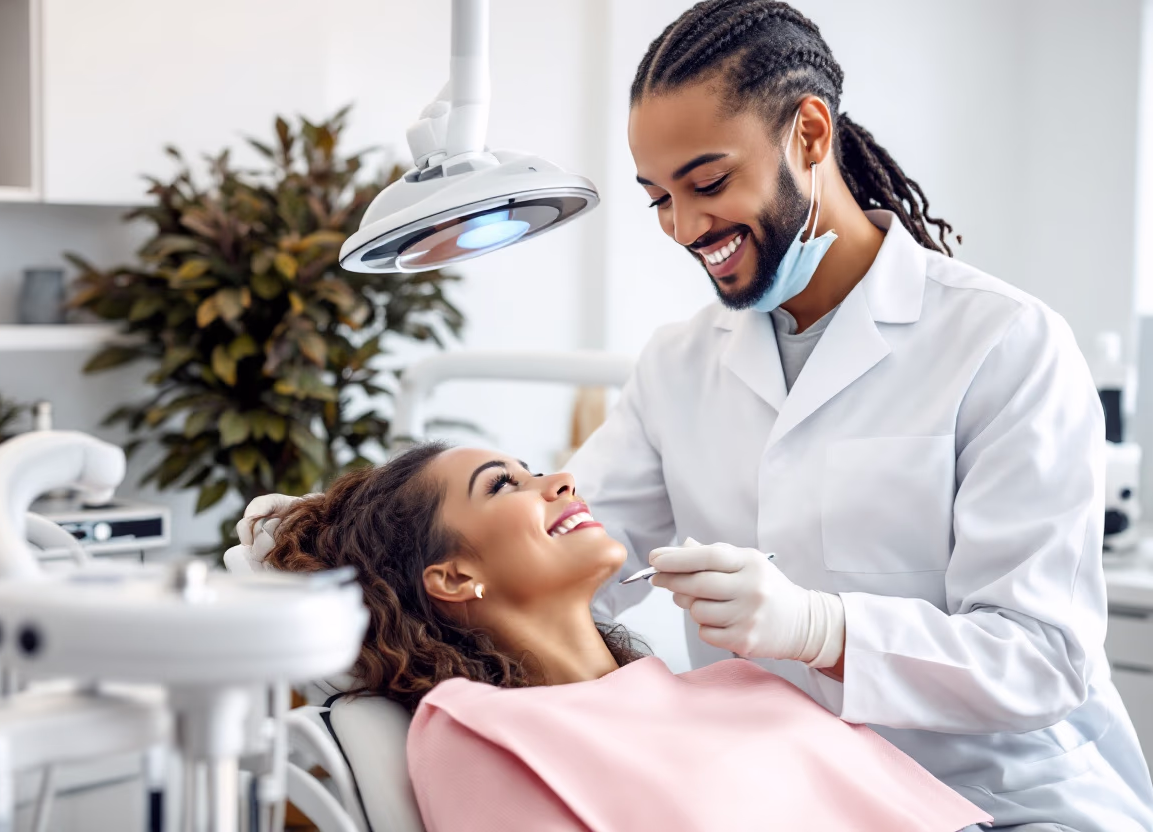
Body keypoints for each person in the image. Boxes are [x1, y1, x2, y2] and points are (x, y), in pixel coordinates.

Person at [561, 1, 1153, 830]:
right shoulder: (678, 367)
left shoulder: (1003, 344)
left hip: (1002, 799)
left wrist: (819, 628)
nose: (685, 228)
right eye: (658, 197)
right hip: (793, 797)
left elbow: (1042, 659)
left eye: (708, 182)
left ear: (808, 133)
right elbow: (569, 564)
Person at [258, 442, 990, 832]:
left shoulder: (736, 681)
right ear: (451, 577)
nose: (563, 480)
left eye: (538, 469)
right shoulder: (473, 731)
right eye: (501, 485)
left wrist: (816, 625)